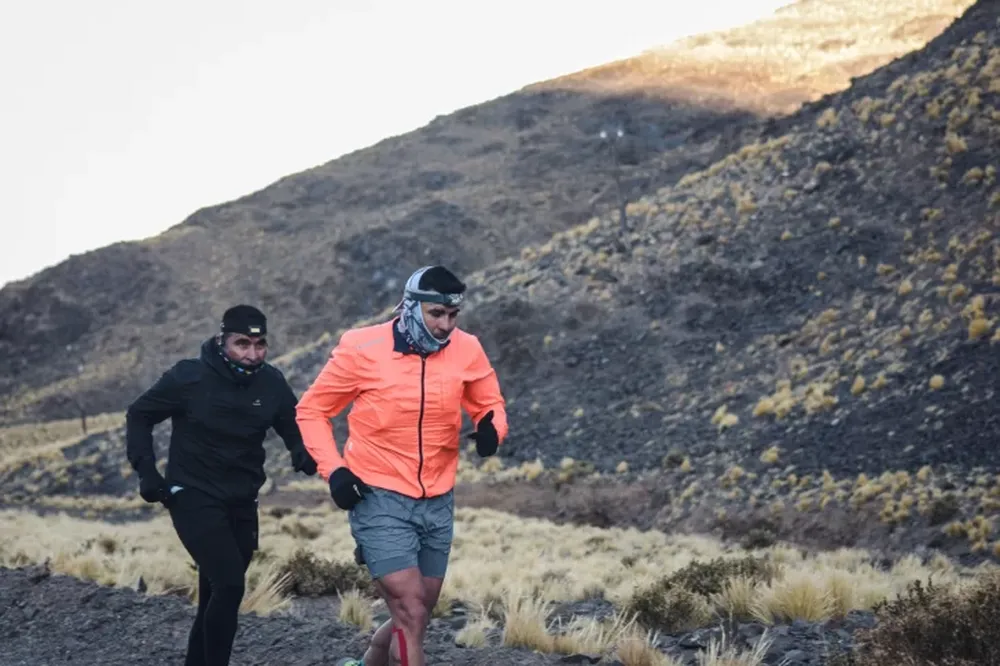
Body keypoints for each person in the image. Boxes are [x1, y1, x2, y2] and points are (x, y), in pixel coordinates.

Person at [295, 265, 508, 666]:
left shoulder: (468, 347)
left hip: (438, 498)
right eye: (436, 314)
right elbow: (312, 411)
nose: (446, 325)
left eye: (452, 315)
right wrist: (335, 471)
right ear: (411, 307)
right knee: (408, 609)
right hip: (378, 495)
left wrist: (492, 429)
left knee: (417, 613)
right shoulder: (362, 347)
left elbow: (489, 404)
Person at [124, 304, 318, 666]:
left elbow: (293, 422)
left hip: (242, 500)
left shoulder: (271, 381)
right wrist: (147, 471)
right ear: (222, 339)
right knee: (230, 585)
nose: (252, 353)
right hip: (192, 494)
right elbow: (139, 414)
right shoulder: (189, 377)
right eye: (242, 343)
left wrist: (300, 449)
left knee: (216, 591)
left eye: (260, 345)